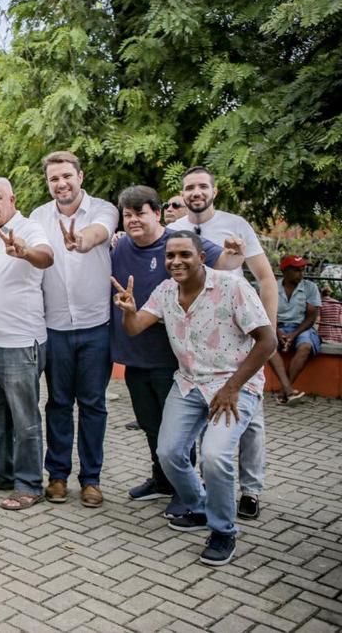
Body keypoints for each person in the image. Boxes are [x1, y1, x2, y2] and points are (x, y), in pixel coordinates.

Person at [114, 231, 275, 566]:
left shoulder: (232, 288)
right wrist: (129, 310)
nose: (176, 262)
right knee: (169, 452)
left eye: (185, 255)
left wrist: (232, 387)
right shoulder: (165, 291)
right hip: (188, 384)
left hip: (234, 386)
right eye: (171, 256)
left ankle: (223, 530)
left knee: (215, 457)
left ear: (201, 257)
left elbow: (267, 340)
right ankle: (200, 505)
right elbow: (135, 328)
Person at [111, 186, 242, 514]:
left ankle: (187, 492)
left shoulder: (177, 243)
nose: (134, 220)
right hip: (134, 354)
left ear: (156, 213)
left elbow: (221, 262)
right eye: (128, 215)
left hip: (174, 359)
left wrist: (235, 254)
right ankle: (161, 479)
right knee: (151, 425)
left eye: (140, 212)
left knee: (178, 434)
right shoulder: (120, 246)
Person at [167, 166, 277, 521]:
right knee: (203, 420)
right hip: (197, 343)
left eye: (202, 186)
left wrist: (267, 332)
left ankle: (251, 489)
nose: (195, 192)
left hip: (240, 335)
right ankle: (208, 488)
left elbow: (265, 279)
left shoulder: (236, 224)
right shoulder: (174, 231)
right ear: (182, 194)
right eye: (189, 188)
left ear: (214, 190)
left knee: (249, 420)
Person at [27, 151, 119, 508]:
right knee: (59, 404)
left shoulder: (103, 209)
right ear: (48, 183)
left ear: (80, 176)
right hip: (55, 327)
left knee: (94, 404)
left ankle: (92, 479)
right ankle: (58, 476)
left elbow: (99, 233)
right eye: (54, 179)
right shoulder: (38, 217)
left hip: (97, 326)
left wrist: (81, 240)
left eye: (67, 176)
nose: (61, 183)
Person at [0, 177, 54, 510]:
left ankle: (30, 484)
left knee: (24, 419)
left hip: (19, 344)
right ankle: (0, 472)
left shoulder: (28, 230)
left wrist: (26, 252)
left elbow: (45, 257)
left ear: (13, 199)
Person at [268, 255, 321, 404]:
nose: (301, 273)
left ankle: (284, 391)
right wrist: (278, 332)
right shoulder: (272, 287)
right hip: (277, 326)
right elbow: (267, 314)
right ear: (284, 271)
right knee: (267, 346)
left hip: (302, 327)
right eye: (296, 270)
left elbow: (311, 318)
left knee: (305, 346)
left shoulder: (310, 287)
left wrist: (293, 335)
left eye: (302, 270)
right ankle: (289, 390)